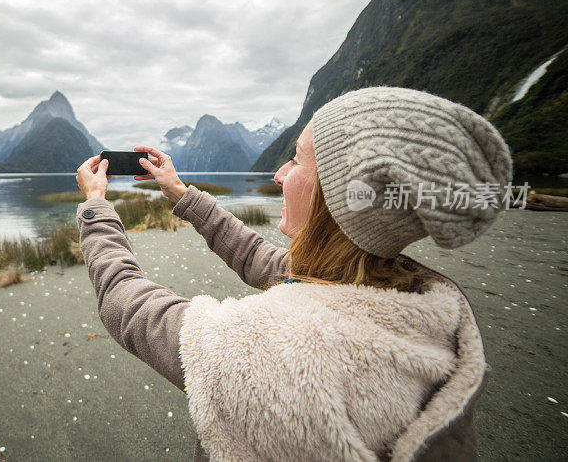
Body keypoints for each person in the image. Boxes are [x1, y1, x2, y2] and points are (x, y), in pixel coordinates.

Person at [74, 87, 512, 461]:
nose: (280, 173)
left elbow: (127, 303)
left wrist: (95, 206)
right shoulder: (418, 299)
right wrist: (178, 191)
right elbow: (259, 258)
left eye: (298, 160)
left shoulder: (266, 351)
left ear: (340, 197)